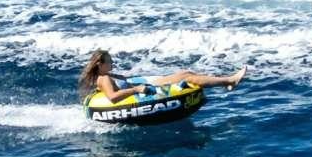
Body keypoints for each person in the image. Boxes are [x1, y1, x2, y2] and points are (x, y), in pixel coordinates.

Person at [78, 48, 245, 103]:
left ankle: (226, 82)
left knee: (185, 73)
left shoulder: (106, 75)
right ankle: (230, 80)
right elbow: (113, 97)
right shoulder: (104, 78)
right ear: (100, 64)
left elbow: (123, 82)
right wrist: (136, 89)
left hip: (147, 86)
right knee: (188, 78)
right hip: (144, 92)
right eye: (110, 61)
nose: (112, 64)